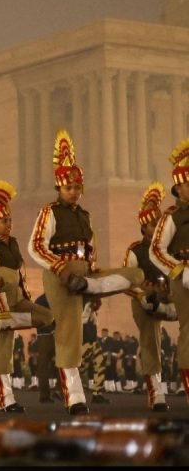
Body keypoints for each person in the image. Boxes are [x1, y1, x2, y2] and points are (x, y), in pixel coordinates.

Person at [28, 129, 143, 414]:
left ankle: (92, 288)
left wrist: (92, 273)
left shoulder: (84, 215)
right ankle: (75, 397)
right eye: (69, 188)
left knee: (135, 275)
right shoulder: (50, 212)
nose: (74, 192)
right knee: (69, 334)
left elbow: (91, 248)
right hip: (61, 275)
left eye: (77, 187)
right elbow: (35, 247)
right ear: (59, 188)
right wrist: (62, 270)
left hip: (84, 275)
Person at [0, 181, 53, 413]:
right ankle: (6, 398)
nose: (8, 224)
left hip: (17, 296)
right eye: (3, 221)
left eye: (9, 220)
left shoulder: (14, 243)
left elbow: (19, 272)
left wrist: (25, 294)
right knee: (3, 351)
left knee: (47, 316)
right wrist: (2, 311)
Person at [148, 136, 189, 403]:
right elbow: (156, 250)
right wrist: (178, 271)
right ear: (178, 188)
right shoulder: (172, 216)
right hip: (183, 275)